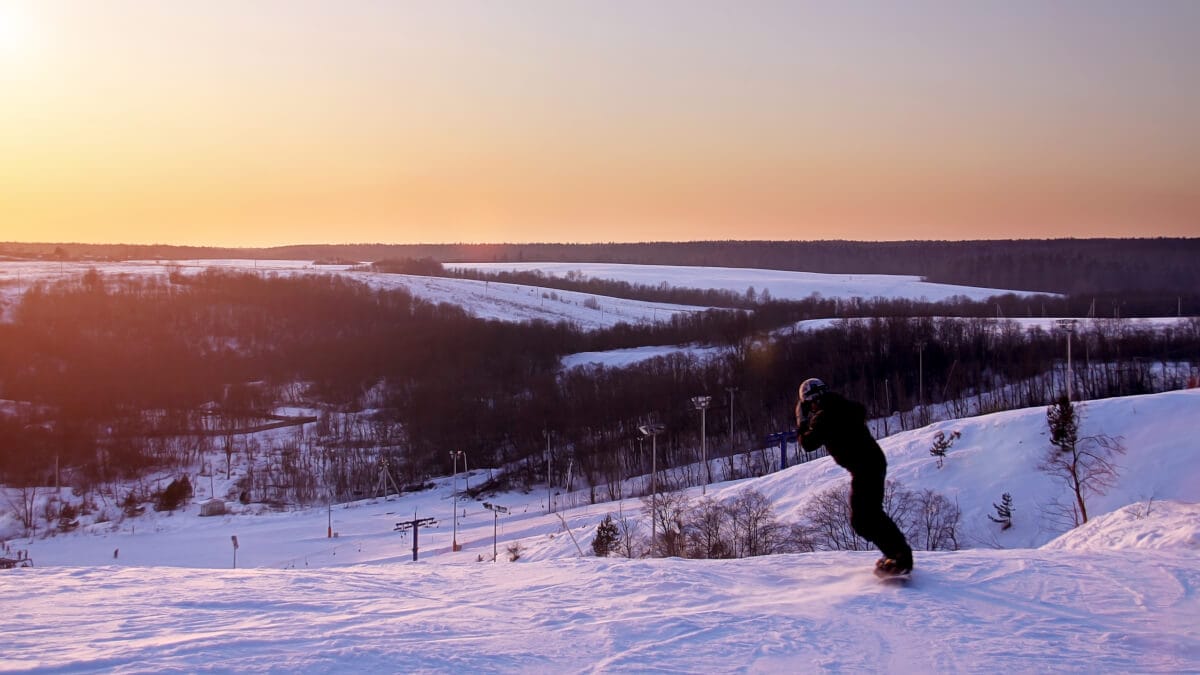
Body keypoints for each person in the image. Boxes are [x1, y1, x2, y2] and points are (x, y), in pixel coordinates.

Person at [796, 377, 913, 576]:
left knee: (863, 520)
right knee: (869, 515)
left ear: (810, 402)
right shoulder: (841, 406)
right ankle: (897, 555)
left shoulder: (824, 416)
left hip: (864, 468)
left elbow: (808, 444)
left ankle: (900, 557)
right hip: (872, 463)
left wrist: (801, 421)